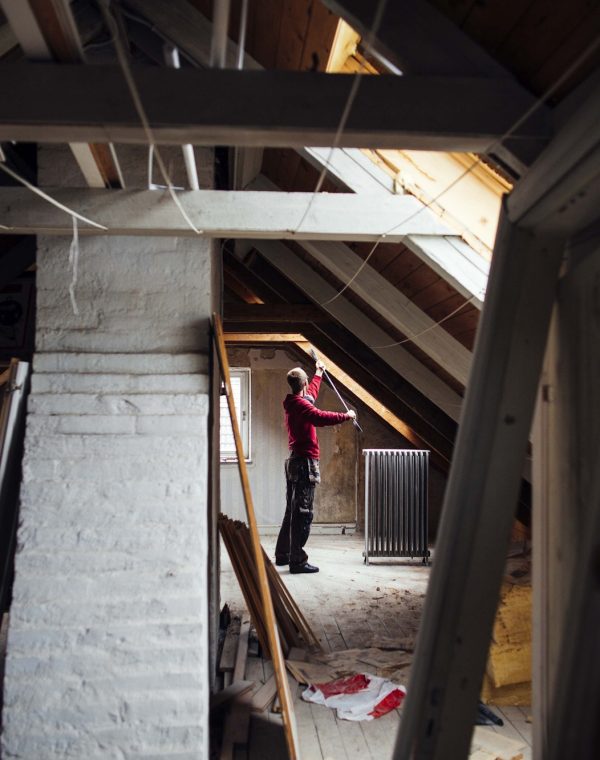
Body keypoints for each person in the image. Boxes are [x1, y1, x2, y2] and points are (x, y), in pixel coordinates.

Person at [275, 359, 356, 574]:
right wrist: (346, 416)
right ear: (303, 383)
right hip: (304, 463)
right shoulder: (302, 406)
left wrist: (319, 372)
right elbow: (319, 417)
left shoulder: (295, 402)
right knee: (303, 512)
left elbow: (311, 393)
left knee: (291, 511)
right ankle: (298, 562)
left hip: (294, 461)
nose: (309, 384)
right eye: (308, 381)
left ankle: (283, 555)